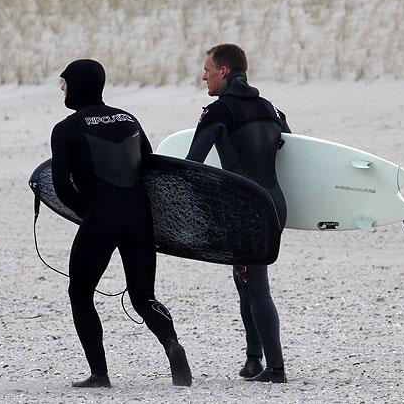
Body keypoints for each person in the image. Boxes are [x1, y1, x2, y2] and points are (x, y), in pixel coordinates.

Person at [50, 59, 192, 388]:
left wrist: (89, 214)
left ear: (78, 85)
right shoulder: (129, 119)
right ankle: (172, 344)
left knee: (80, 293)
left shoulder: (66, 128)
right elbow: (150, 167)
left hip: (100, 219)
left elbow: (61, 186)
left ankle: (99, 374)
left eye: (65, 82)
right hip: (139, 219)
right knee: (143, 297)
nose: (62, 88)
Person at [185, 44, 290, 383]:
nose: (204, 77)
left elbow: (192, 165)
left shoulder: (217, 112)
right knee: (245, 280)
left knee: (256, 287)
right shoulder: (271, 108)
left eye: (207, 70)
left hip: (246, 209)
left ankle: (275, 369)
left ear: (224, 71)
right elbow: (294, 153)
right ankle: (253, 359)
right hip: (275, 204)